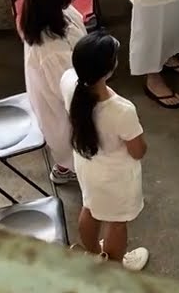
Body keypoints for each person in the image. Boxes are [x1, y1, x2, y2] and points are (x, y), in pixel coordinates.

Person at [61, 32, 149, 271]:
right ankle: (112, 269)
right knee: (117, 221)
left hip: (86, 164)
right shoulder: (122, 110)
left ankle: (93, 254)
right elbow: (138, 151)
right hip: (114, 177)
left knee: (90, 206)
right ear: (108, 70)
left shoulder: (68, 81)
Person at [18, 0, 87, 185]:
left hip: (61, 89)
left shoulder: (47, 17)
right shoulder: (51, 50)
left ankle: (66, 165)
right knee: (71, 140)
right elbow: (69, 91)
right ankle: (69, 169)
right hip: (61, 104)